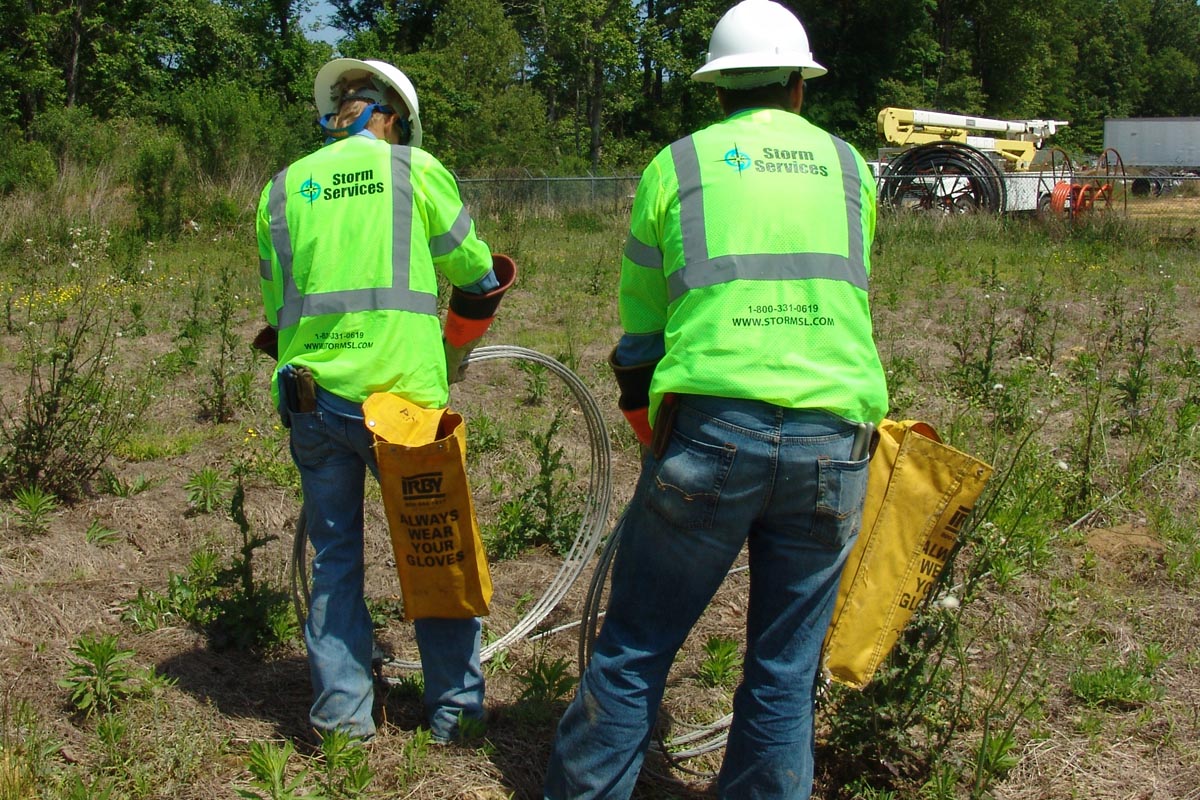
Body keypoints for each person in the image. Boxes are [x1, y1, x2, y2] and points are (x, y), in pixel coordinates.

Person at [543, 1, 888, 797]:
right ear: (800, 85)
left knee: (634, 647)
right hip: (835, 440)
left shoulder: (679, 165)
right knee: (784, 671)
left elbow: (641, 324)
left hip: (713, 431)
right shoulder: (849, 167)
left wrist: (647, 426)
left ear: (719, 87)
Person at [255, 57, 514, 743]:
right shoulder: (413, 171)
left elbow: (279, 308)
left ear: (338, 114)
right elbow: (477, 270)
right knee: (435, 554)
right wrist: (455, 337)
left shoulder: (282, 190)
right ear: (391, 117)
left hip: (313, 401)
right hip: (403, 406)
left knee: (334, 560)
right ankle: (454, 719)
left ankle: (342, 723)